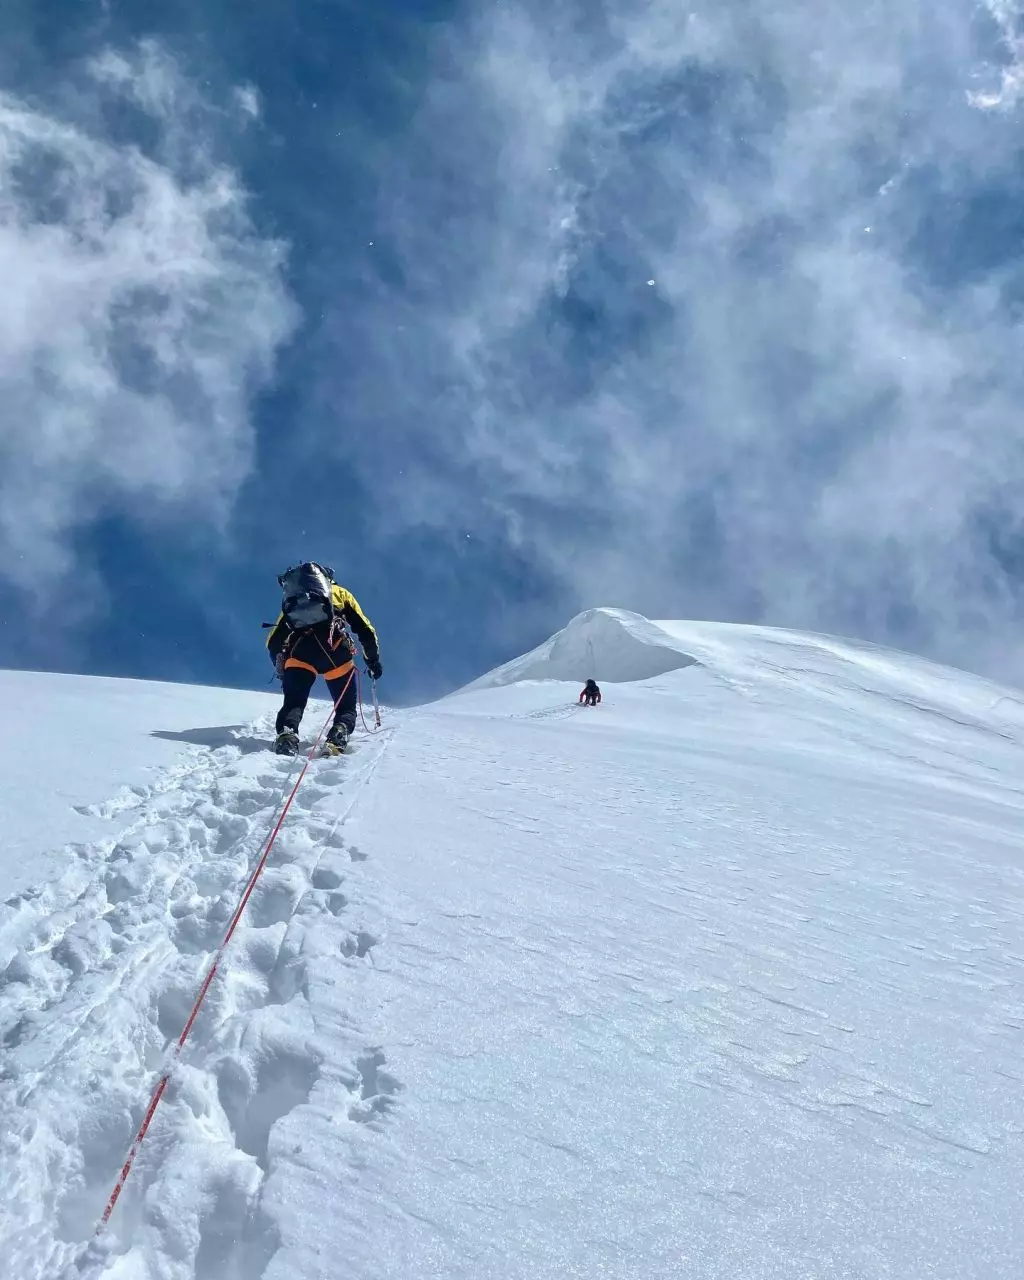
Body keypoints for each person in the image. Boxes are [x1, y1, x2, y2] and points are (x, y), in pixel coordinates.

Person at [266, 569, 382, 756]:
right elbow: (365, 630)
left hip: (300, 652)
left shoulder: (294, 599)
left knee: (294, 701)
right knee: (345, 705)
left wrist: (281, 668)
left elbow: (273, 641)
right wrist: (373, 661)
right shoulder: (341, 593)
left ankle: (288, 735)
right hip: (335, 651)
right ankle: (339, 731)